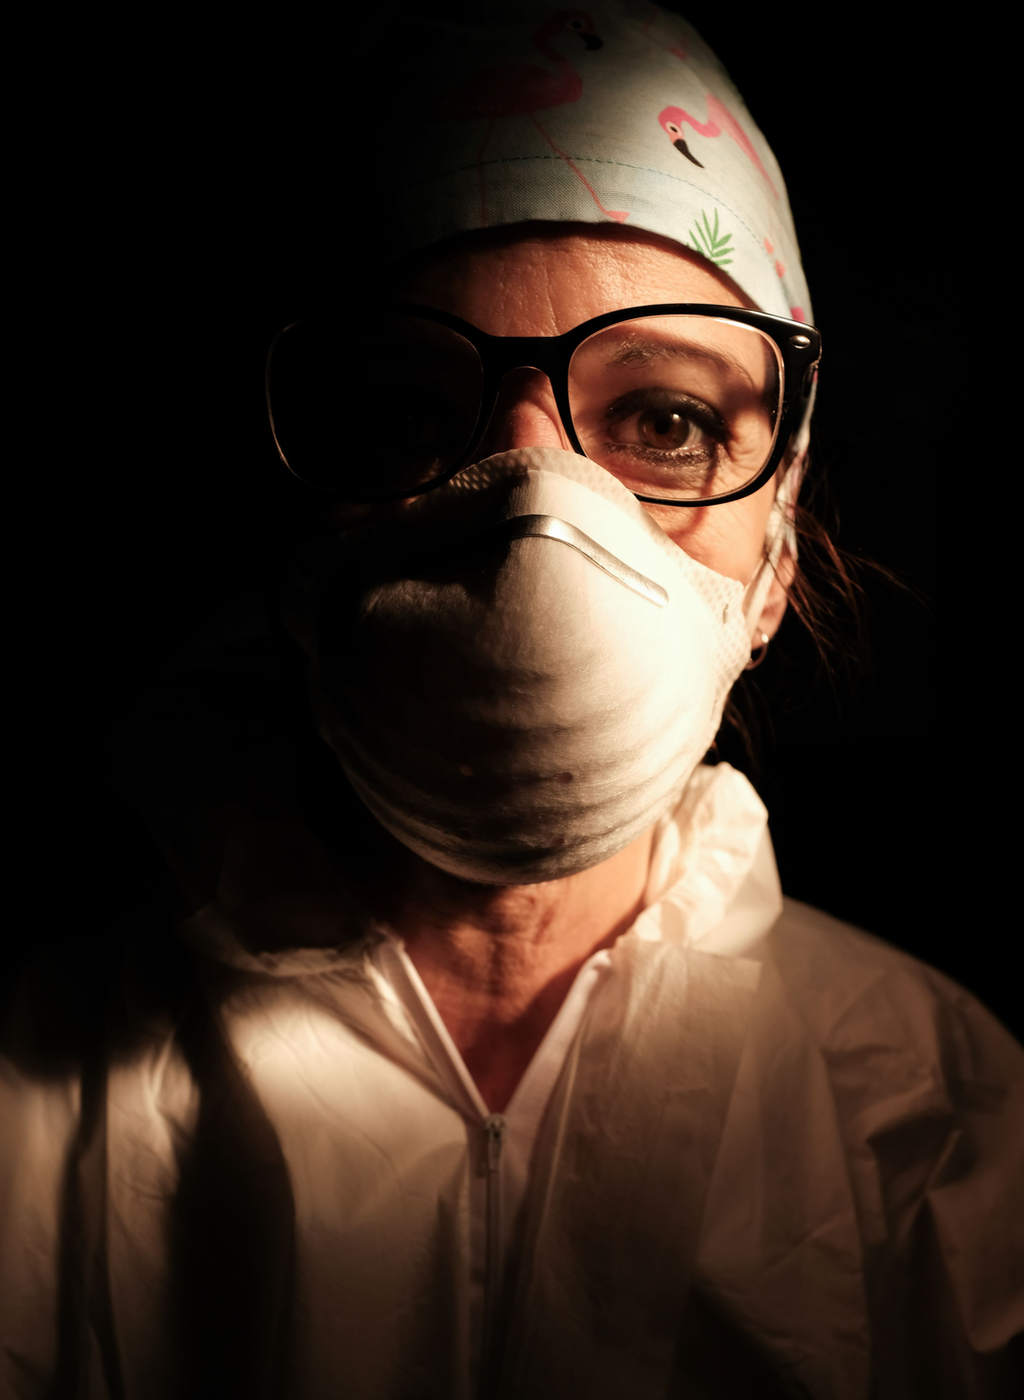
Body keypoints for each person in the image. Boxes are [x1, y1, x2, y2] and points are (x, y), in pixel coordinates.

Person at [2, 3, 1021, 1397]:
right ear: (296, 513)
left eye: (664, 421)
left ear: (778, 545)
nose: (539, 503)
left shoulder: (946, 1127)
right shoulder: (38, 1109)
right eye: (415, 414)